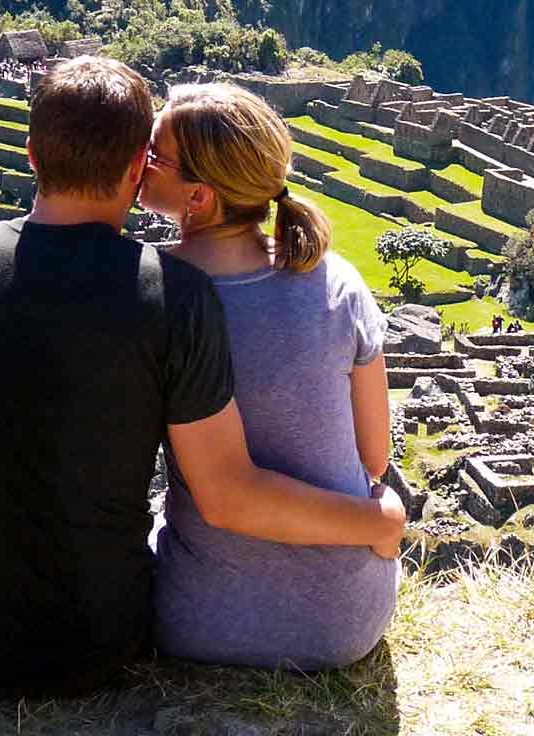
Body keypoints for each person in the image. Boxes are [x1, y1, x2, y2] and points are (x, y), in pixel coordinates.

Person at [0, 58, 404, 695]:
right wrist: (380, 521)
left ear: (32, 154)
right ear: (134, 165)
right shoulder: (179, 295)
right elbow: (331, 463)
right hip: (108, 641)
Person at [141, 82, 400, 669]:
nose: (141, 163)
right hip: (348, 623)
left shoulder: (153, 294)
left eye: (155, 156)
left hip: (204, 622)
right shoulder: (337, 284)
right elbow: (376, 456)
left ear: (199, 197)